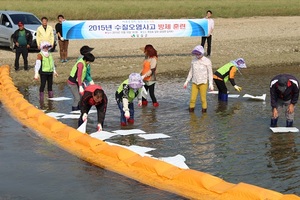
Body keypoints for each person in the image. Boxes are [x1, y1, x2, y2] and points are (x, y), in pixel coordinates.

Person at [183, 45, 214, 113]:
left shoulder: (207, 61)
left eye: (198, 54)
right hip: (194, 82)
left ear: (202, 53)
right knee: (192, 99)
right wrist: (187, 81)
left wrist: (211, 84)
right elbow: (191, 72)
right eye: (196, 54)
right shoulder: (194, 61)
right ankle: (191, 114)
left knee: (203, 99)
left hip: (203, 82)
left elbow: (210, 73)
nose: (197, 55)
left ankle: (204, 116)